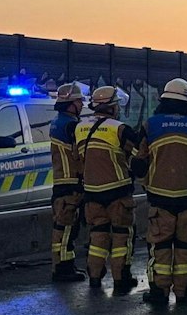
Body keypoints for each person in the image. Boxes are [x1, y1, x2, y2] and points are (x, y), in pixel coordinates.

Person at [135, 78, 187, 307]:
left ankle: (159, 293)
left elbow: (139, 163)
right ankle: (183, 293)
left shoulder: (150, 125)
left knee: (160, 246)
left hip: (160, 197)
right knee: (185, 247)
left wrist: (148, 181)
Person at [75, 85, 141, 291]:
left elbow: (77, 158)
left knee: (97, 236)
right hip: (118, 191)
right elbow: (140, 154)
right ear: (112, 107)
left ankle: (94, 277)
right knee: (122, 235)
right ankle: (121, 278)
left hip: (92, 192)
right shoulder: (119, 128)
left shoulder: (79, 127)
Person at [46, 83, 87, 279]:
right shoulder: (71, 125)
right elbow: (80, 153)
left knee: (61, 228)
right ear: (70, 104)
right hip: (71, 183)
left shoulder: (56, 122)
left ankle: (64, 265)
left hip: (60, 182)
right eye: (79, 101)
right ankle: (63, 269)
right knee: (67, 228)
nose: (82, 104)